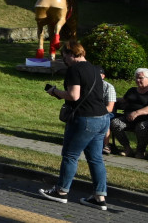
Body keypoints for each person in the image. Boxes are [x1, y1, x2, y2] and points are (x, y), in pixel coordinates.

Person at [39, 41, 109, 210]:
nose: (65, 61)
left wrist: (55, 92)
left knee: (70, 155)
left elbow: (74, 95)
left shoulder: (74, 70)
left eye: (64, 57)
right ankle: (99, 197)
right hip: (102, 118)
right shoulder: (94, 68)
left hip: (85, 119)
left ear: (71, 54)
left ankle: (61, 192)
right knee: (96, 158)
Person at [111, 67, 148, 158]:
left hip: (144, 120)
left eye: (140, 78)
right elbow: (123, 100)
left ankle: (140, 151)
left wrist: (137, 113)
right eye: (136, 78)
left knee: (142, 127)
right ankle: (127, 149)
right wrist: (110, 100)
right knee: (115, 123)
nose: (138, 80)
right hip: (128, 119)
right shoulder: (132, 90)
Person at [101, 67, 117, 155]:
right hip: (93, 110)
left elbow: (110, 108)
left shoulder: (108, 87)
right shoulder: (89, 85)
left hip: (107, 112)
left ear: (103, 76)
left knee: (105, 118)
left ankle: (106, 145)